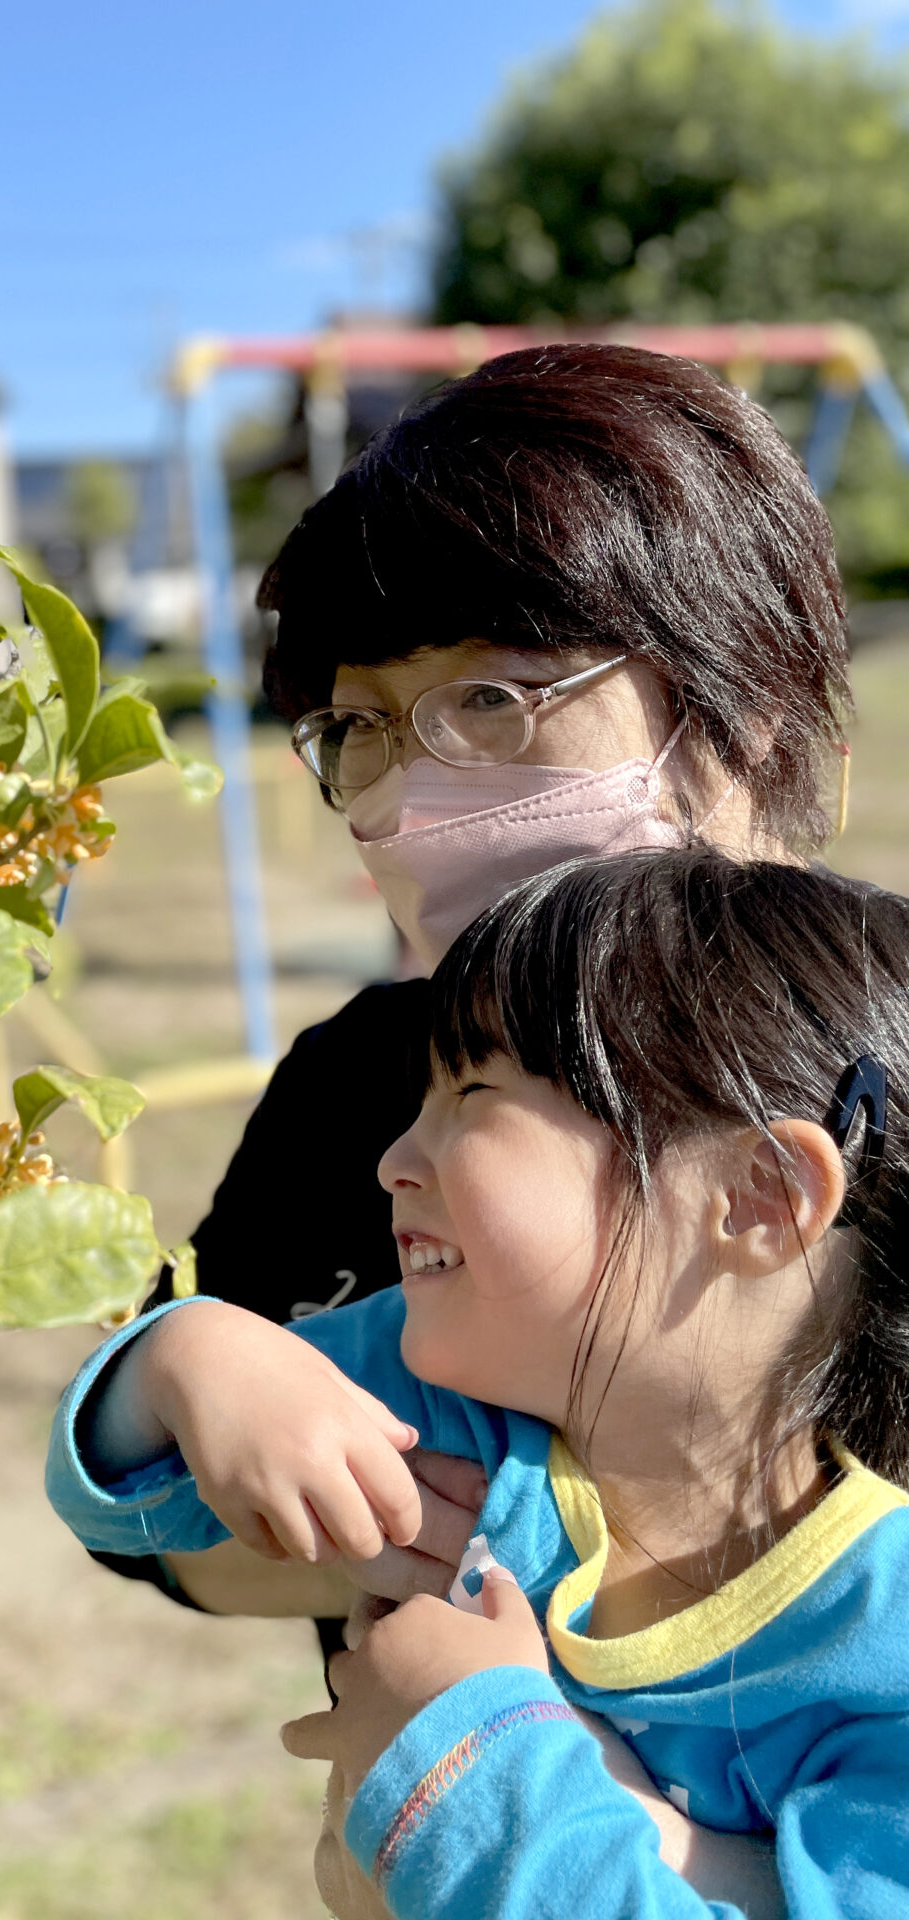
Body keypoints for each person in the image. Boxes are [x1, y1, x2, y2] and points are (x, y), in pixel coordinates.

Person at [107, 340, 853, 1627]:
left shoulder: (879, 1048)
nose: (413, 795)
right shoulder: (361, 1088)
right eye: (363, 729)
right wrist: (192, 1375)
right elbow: (151, 1532)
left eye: (491, 699)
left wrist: (678, 1843)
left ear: (742, 712)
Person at [49, 849, 909, 1919]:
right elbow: (137, 1508)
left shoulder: (883, 1645)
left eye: (474, 1093)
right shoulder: (448, 1393)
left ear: (759, 1197)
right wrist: (188, 1363)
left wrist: (467, 1743)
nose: (393, 1159)